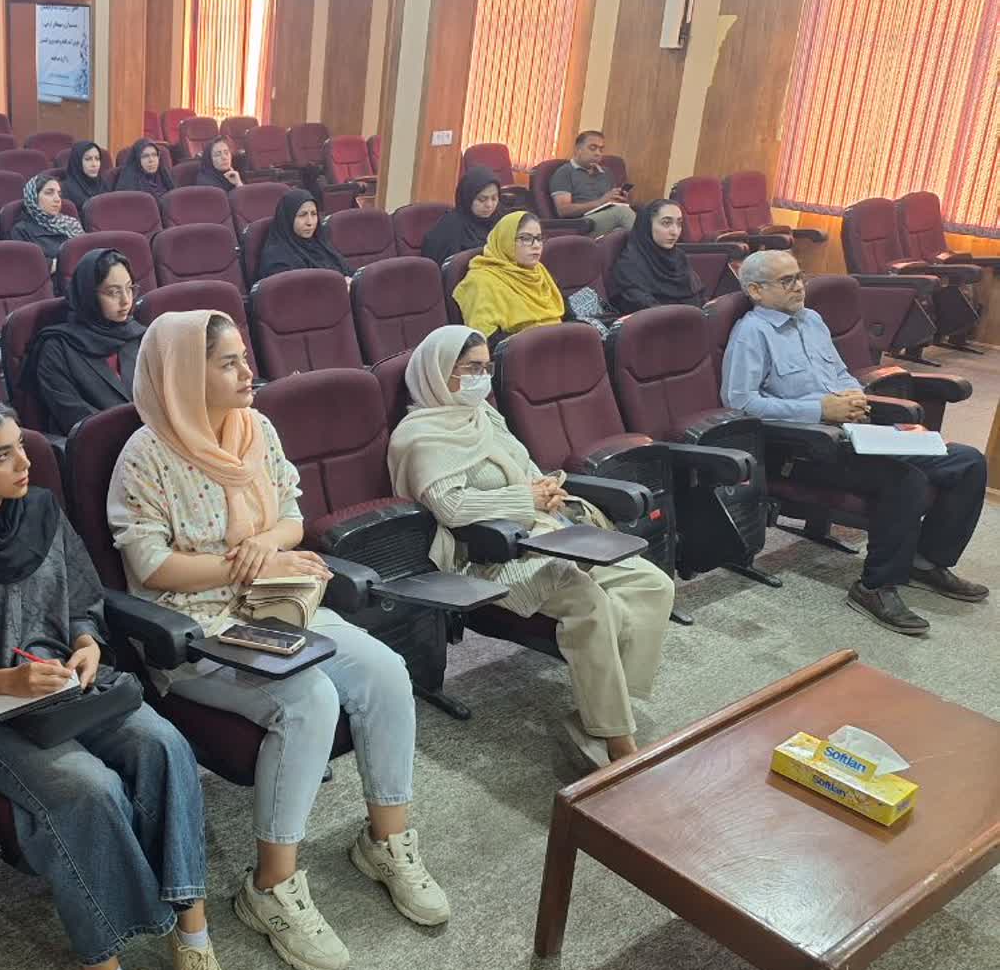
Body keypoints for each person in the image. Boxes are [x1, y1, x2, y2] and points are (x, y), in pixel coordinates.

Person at [108, 310, 447, 970]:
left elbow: (291, 516)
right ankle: (269, 886)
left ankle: (385, 841)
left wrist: (264, 547)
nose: (248, 371)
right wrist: (240, 563)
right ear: (185, 374)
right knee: (309, 698)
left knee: (385, 670)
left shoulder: (254, 429)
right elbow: (152, 566)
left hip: (276, 603)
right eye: (228, 362)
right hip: (197, 629)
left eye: (244, 357)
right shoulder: (145, 455)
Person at [0, 394, 223, 970]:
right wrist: (4, 681)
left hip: (72, 688)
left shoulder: (42, 512)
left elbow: (83, 601)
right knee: (89, 789)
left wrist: (86, 643)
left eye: (21, 446)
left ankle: (193, 937)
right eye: (2, 456)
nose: (25, 463)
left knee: (163, 745)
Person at [388, 326, 674, 768]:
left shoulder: (484, 416)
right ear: (438, 372)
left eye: (487, 368)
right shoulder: (419, 435)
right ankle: (617, 736)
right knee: (590, 602)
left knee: (652, 584)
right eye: (471, 369)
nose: (482, 378)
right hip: (487, 554)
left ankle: (602, 708)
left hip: (546, 532)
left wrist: (546, 487)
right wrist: (525, 499)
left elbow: (526, 466)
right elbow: (451, 507)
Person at [720, 249, 989, 636]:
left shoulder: (811, 320)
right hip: (806, 447)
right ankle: (875, 586)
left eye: (800, 277)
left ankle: (926, 561)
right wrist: (820, 409)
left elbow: (841, 373)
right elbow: (741, 403)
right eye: (786, 281)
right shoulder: (751, 333)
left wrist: (853, 397)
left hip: (855, 431)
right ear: (756, 291)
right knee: (905, 479)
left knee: (967, 461)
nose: (799, 287)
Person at [26, 250, 144, 435]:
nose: (126, 300)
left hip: (151, 437)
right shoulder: (56, 347)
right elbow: (72, 415)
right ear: (88, 295)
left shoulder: (138, 335)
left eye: (129, 288)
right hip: (99, 443)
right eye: (113, 292)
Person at [450, 211, 564, 341]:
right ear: (505, 240)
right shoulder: (481, 281)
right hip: (521, 350)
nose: (536, 245)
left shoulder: (538, 271)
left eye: (539, 238)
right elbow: (487, 341)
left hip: (560, 344)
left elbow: (565, 312)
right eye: (526, 238)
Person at [608, 198, 705, 314]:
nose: (675, 232)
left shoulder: (679, 257)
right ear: (647, 225)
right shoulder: (629, 265)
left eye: (679, 224)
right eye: (666, 223)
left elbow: (699, 297)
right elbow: (644, 307)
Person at [549, 130, 634, 235]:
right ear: (578, 150)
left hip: (609, 218)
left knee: (645, 214)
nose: (598, 153)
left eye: (601, 149)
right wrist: (600, 202)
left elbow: (611, 202)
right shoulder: (564, 172)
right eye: (592, 148)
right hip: (583, 223)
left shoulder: (606, 173)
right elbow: (563, 210)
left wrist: (620, 199)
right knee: (622, 213)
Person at [256, 190, 352, 282]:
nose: (310, 222)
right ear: (288, 218)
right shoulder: (277, 258)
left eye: (314, 214)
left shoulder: (321, 244)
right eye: (302, 215)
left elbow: (350, 273)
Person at [421, 166, 502, 266]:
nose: (489, 205)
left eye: (494, 198)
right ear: (467, 198)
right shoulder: (450, 227)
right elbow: (442, 268)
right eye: (482, 199)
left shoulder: (500, 221)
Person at [10, 172, 85, 269]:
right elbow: (28, 266)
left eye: (59, 194)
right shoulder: (21, 230)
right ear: (33, 197)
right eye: (49, 193)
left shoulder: (71, 223)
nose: (57, 199)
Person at [110, 138, 174, 196]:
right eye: (145, 156)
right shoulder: (129, 185)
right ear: (137, 160)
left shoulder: (164, 177)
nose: (151, 160)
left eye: (154, 155)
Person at [61, 140, 106, 210]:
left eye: (97, 159)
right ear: (77, 162)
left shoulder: (103, 184)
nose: (94, 164)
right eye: (88, 159)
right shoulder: (66, 190)